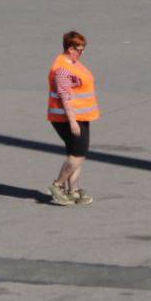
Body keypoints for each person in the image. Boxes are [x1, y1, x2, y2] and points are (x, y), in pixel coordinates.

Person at [47, 30, 99, 206]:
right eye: (80, 49)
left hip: (81, 115)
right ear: (70, 49)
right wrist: (73, 122)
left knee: (75, 153)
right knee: (78, 154)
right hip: (67, 118)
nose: (82, 53)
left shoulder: (72, 62)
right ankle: (57, 186)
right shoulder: (62, 68)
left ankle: (74, 190)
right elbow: (65, 97)